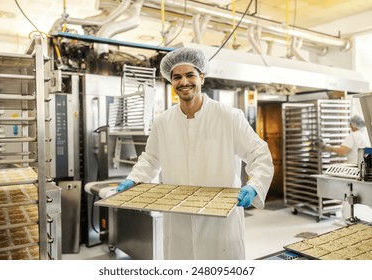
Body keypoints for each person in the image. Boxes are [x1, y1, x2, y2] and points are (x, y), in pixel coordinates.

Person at [114, 47, 274, 260]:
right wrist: (133, 179)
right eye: (177, 77)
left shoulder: (228, 116)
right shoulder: (163, 122)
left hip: (220, 221)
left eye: (190, 75)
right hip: (178, 218)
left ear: (202, 78)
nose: (184, 82)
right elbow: (151, 158)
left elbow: (258, 153)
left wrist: (254, 186)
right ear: (172, 83)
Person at [318, 114, 371, 224]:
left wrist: (325, 147)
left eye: (350, 124)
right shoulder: (365, 134)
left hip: (353, 168)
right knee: (368, 196)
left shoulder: (353, 135)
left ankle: (347, 220)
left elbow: (343, 150)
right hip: (365, 168)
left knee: (348, 194)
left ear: (353, 124)